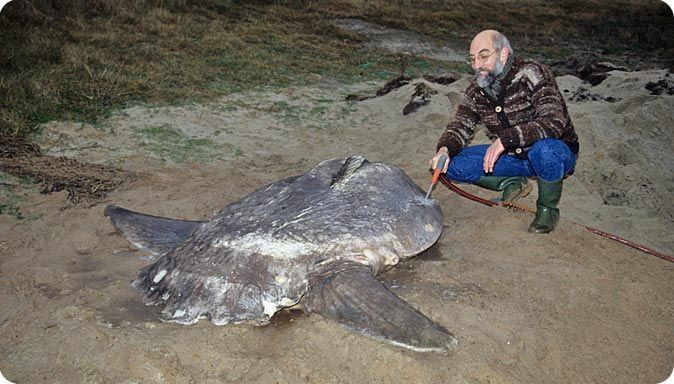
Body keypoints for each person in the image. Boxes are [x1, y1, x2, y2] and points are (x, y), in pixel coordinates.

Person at [429, 30, 579, 234]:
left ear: (503, 54)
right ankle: (514, 183)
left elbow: (554, 122)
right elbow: (459, 125)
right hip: (513, 158)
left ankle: (547, 210)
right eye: (472, 59)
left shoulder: (532, 73)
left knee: (544, 151)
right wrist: (444, 150)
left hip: (556, 153)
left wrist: (505, 139)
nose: (477, 65)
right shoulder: (477, 90)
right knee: (452, 166)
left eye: (484, 56)